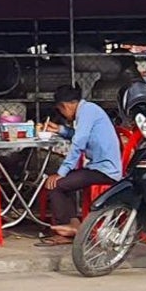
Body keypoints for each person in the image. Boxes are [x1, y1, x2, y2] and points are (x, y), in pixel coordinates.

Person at [39, 85, 122, 245]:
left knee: (55, 184)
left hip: (104, 170)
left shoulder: (87, 111)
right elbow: (80, 135)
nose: (62, 114)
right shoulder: (88, 110)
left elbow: (78, 142)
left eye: (60, 110)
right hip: (97, 167)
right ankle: (73, 224)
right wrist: (61, 130)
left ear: (65, 106)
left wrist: (61, 172)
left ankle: (67, 229)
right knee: (64, 183)